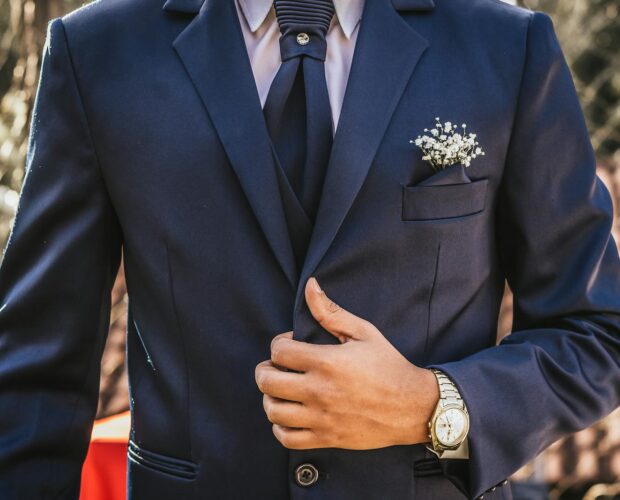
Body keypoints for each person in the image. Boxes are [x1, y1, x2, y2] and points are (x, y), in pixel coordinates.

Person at [0, 0, 618, 498]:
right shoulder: (98, 51)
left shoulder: (506, 47)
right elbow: (34, 370)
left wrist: (434, 405)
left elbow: (598, 330)